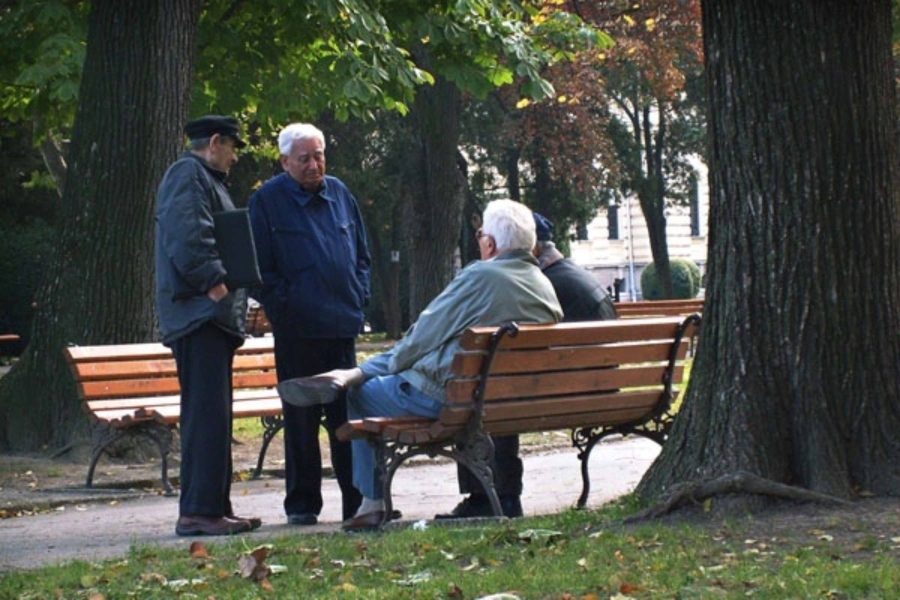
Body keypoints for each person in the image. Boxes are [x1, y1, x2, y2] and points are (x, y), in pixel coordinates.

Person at [278, 199, 563, 532]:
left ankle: (371, 503)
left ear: (490, 243)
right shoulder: (543, 283)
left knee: (358, 394)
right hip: (510, 399)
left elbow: (419, 339)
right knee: (390, 379)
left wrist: (362, 371)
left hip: (450, 397)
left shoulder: (481, 276)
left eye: (480, 235)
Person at [435, 211, 618, 520]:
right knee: (496, 387)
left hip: (565, 393)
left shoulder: (537, 283)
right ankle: (497, 496)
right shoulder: (573, 276)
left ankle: (491, 498)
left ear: (532, 249)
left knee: (481, 394)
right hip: (600, 390)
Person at [248, 123, 370, 525]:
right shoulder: (267, 201)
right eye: (304, 158)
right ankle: (302, 505)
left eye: (319, 155)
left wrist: (359, 295)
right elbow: (259, 268)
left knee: (345, 421)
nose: (314, 165)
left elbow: (361, 255)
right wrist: (285, 307)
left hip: (341, 324)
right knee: (300, 421)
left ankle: (357, 502)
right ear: (285, 161)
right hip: (297, 330)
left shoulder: (340, 193)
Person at [155, 115, 261, 536]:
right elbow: (188, 233)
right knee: (204, 416)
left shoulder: (203, 178)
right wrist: (214, 283)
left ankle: (215, 508)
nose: (234, 157)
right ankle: (199, 511)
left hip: (207, 317)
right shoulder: (187, 174)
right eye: (232, 147)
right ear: (215, 142)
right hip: (199, 315)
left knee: (214, 417)